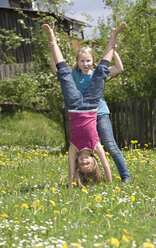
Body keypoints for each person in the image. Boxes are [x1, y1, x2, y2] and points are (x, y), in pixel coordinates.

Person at [41, 22, 127, 186]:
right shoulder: (95, 145)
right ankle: (113, 36)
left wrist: (71, 182)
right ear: (94, 161)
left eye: (81, 163)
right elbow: (106, 165)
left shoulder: (74, 146)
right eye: (87, 163)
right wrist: (109, 184)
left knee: (64, 74)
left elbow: (70, 166)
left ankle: (52, 38)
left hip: (73, 106)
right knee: (101, 72)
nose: (83, 161)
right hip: (92, 106)